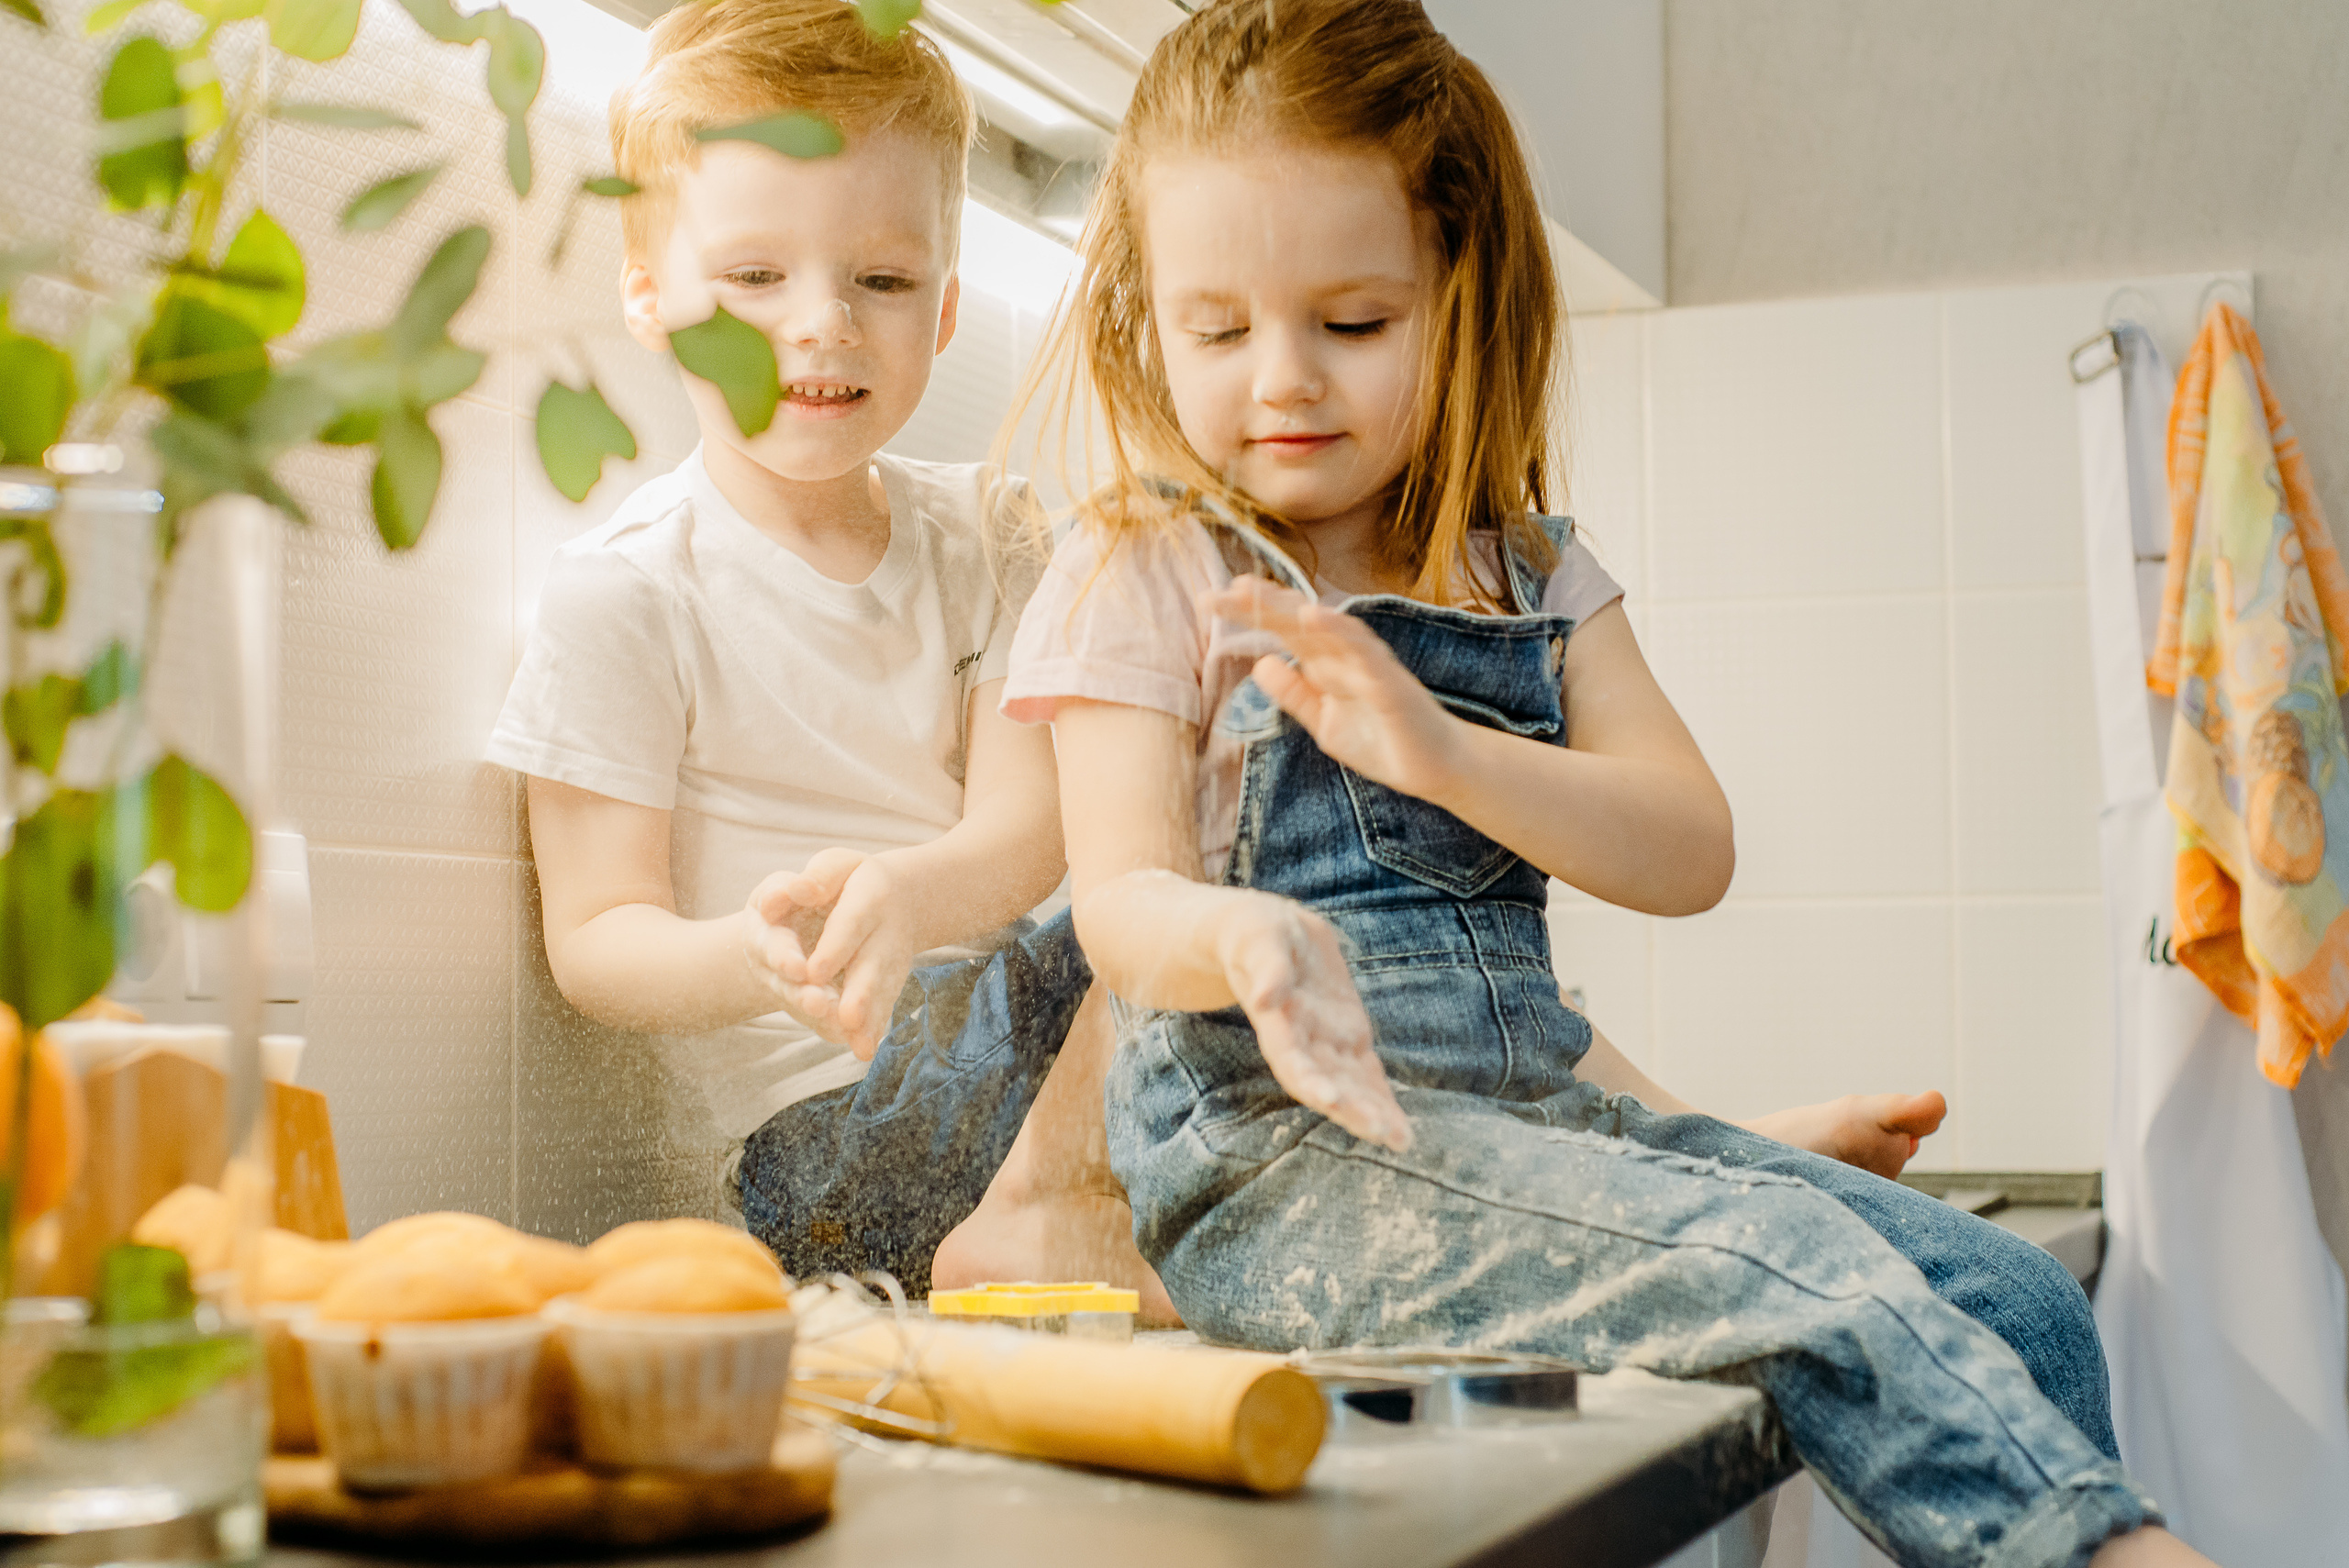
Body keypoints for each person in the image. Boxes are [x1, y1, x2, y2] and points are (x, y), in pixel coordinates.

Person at [999, 2, 2209, 1562]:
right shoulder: (1144, 567)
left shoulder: (1528, 569)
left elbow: (1689, 847)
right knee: (1784, 1267)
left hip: (1539, 1134)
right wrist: (1241, 935)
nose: (1282, 379)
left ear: (1457, 292)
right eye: (1217, 330)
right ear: (1146, 317)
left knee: (2020, 1297)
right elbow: (1119, 901)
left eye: (1351, 322)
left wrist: (1441, 747)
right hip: (1283, 1170)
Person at [486, 0, 1089, 1296]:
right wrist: (756, 958)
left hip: (1017, 1082)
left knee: (1194, 862)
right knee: (1171, 905)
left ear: (944, 309)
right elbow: (595, 936)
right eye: (756, 278)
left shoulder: (989, 532)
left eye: (883, 280)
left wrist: (909, 900)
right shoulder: (628, 591)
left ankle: (1089, 1230)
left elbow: (1033, 827)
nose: (823, 323)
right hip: (820, 1148)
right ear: (649, 298)